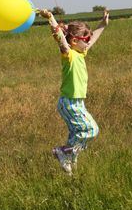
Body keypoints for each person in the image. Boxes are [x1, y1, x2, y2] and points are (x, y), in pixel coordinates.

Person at [40, 9, 109, 175]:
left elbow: (94, 39)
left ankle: (70, 166)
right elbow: (60, 39)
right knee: (91, 129)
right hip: (69, 102)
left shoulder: (81, 52)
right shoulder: (69, 54)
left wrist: (103, 24)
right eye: (85, 39)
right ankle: (63, 151)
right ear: (74, 40)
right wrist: (51, 18)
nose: (88, 41)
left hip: (77, 102)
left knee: (77, 134)